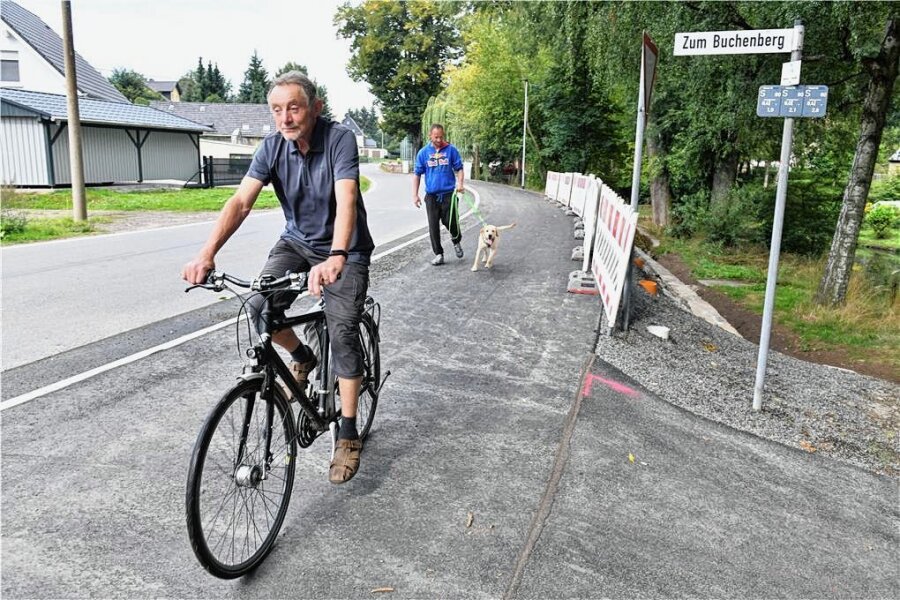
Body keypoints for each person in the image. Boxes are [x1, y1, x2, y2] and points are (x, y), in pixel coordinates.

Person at [181, 71, 374, 485]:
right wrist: (207, 252)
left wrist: (338, 255)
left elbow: (347, 198)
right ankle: (303, 357)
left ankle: (348, 431)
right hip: (298, 245)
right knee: (258, 305)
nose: (285, 117)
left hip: (347, 249)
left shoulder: (338, 139)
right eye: (277, 109)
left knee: (342, 333)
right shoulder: (272, 148)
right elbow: (241, 202)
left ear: (315, 108)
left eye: (294, 107)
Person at [412, 124, 465, 265]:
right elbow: (417, 174)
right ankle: (439, 254)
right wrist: (415, 194)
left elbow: (459, 169)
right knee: (433, 226)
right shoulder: (423, 153)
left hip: (449, 194)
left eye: (441, 136)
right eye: (436, 137)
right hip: (431, 196)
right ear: (430, 135)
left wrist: (460, 184)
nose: (439, 139)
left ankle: (456, 240)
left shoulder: (451, 150)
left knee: (451, 221)